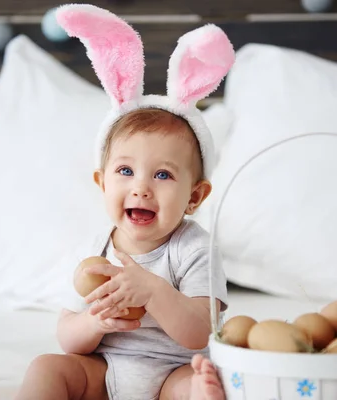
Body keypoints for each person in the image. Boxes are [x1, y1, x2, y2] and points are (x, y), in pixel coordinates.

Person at [15, 4, 235, 400]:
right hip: (105, 370)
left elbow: (201, 331)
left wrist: (153, 291)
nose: (141, 189)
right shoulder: (95, 251)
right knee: (47, 367)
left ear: (194, 196)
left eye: (163, 175)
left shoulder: (195, 248)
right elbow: (68, 336)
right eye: (125, 171)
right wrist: (94, 323)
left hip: (173, 372)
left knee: (196, 387)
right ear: (102, 183)